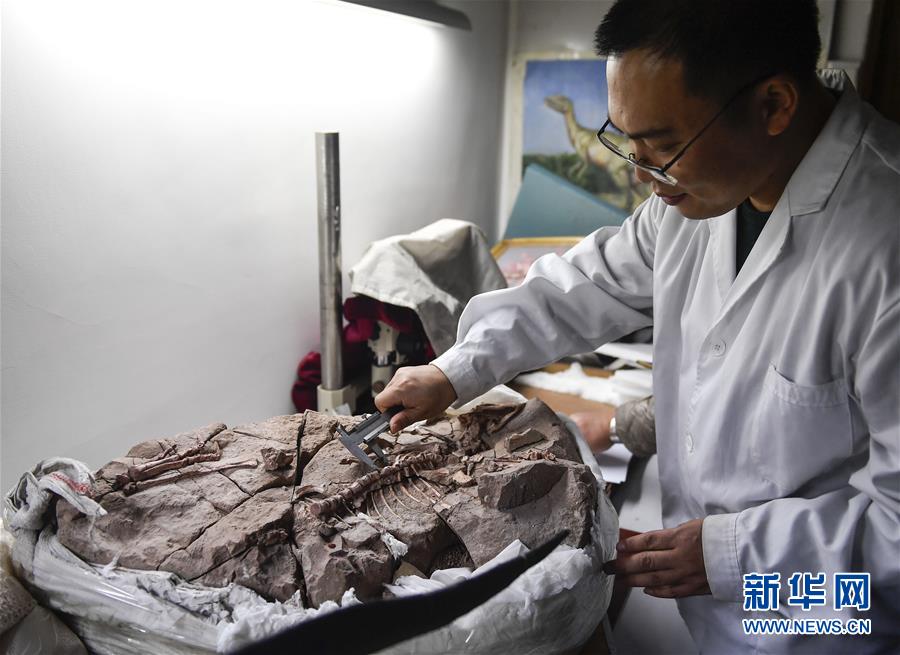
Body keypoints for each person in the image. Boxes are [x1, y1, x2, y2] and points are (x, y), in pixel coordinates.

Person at [375, 0, 899, 651]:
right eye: (626, 138)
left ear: (773, 105)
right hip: (707, 603)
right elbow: (581, 286)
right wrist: (452, 370)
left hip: (832, 619)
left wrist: (732, 554)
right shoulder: (700, 196)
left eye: (663, 144)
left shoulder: (881, 243)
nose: (639, 171)